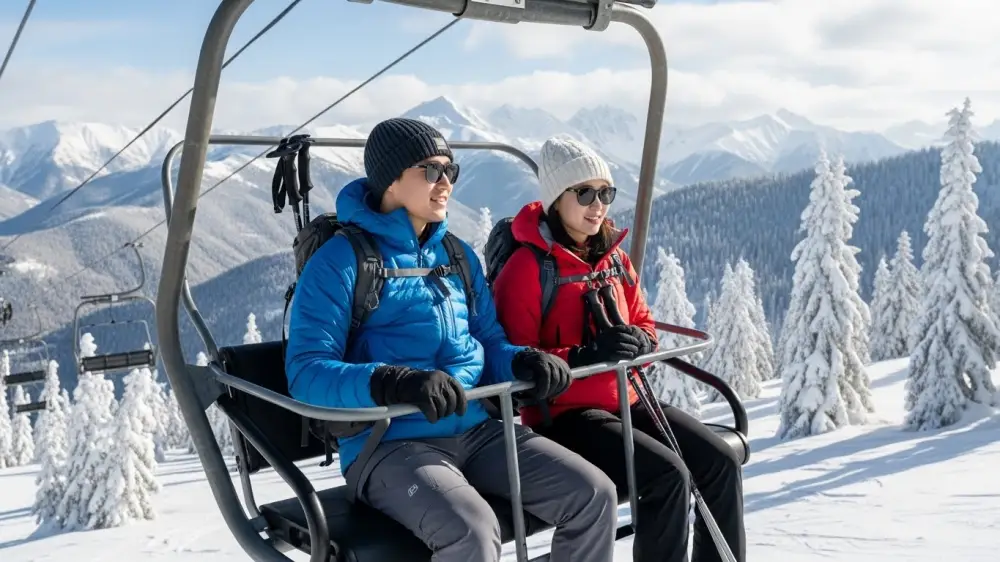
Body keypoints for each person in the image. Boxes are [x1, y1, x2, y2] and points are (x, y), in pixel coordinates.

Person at [284, 118, 619, 562]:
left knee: (593, 495)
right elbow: (306, 370)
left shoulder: (456, 256)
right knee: (473, 534)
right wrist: (393, 381)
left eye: (451, 171)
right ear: (390, 179)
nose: (445, 184)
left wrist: (522, 362)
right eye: (430, 171)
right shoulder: (341, 262)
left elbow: (487, 342)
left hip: (476, 430)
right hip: (388, 445)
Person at [491, 137, 746, 562]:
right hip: (565, 416)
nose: (598, 205)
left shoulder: (612, 259)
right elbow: (517, 361)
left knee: (719, 460)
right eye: (585, 193)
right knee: (665, 475)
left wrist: (640, 340)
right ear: (557, 198)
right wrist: (585, 356)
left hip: (625, 402)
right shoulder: (528, 269)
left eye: (605, 193)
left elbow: (644, 321)